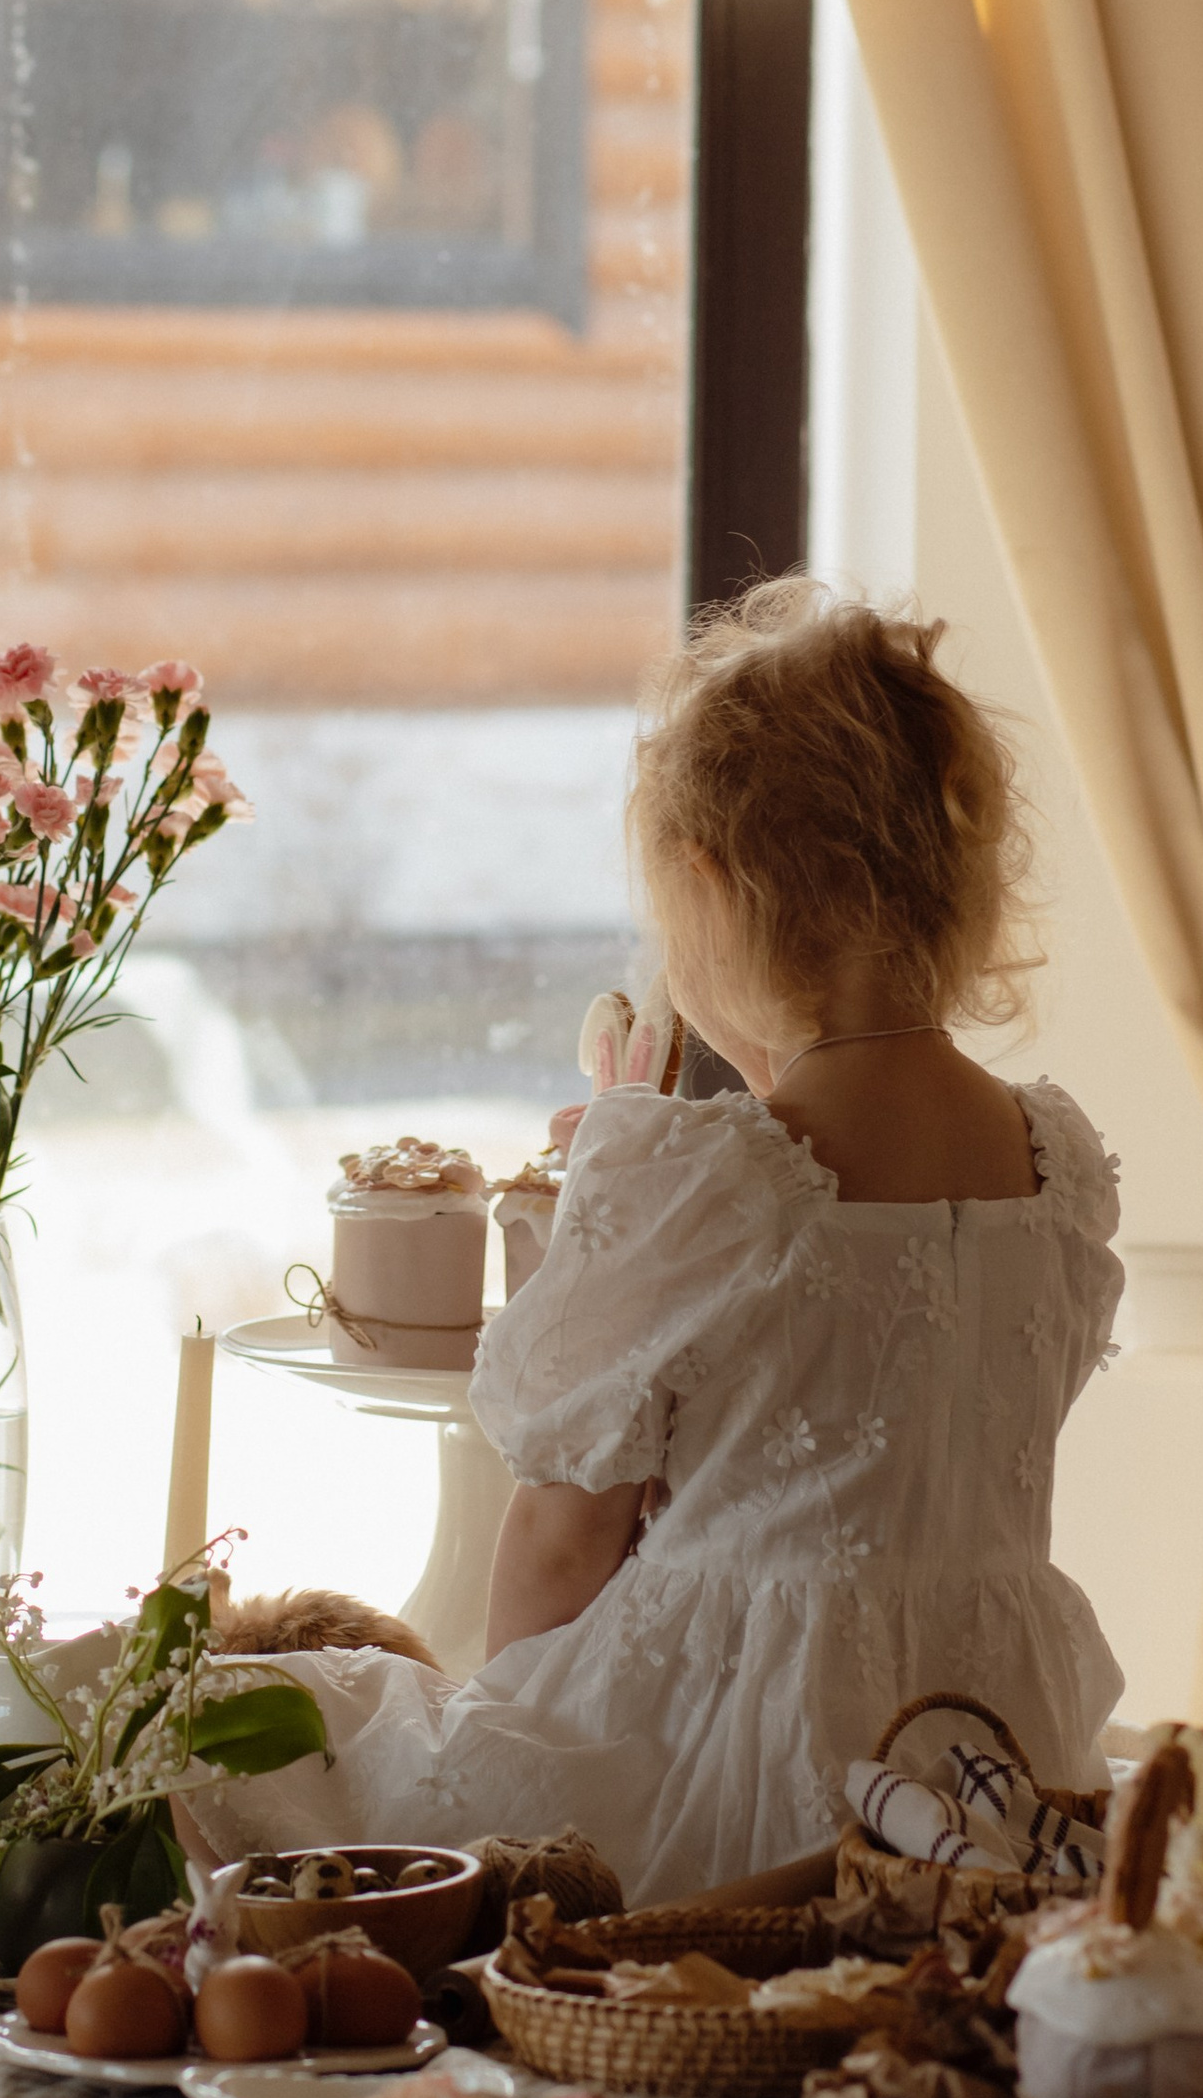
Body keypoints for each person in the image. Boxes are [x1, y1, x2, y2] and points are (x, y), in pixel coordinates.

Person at [187, 579, 1126, 1905]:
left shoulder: (708, 1182)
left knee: (276, 1731)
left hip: (729, 1764)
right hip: (988, 1741)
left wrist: (505, 1750)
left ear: (711, 889)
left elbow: (561, 1537)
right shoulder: (1064, 1169)